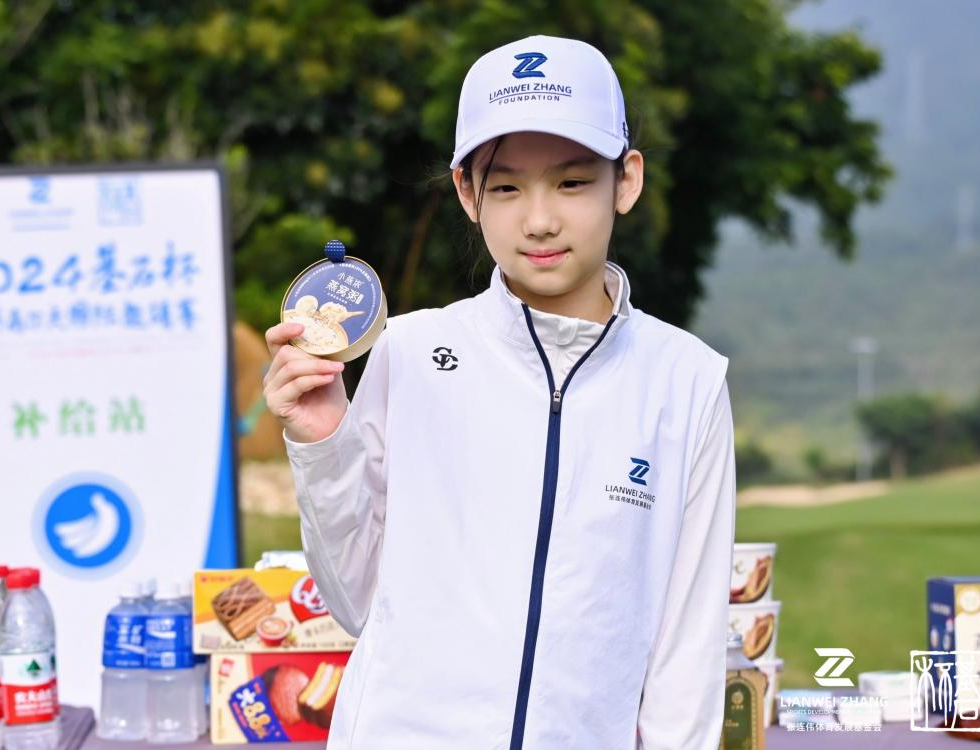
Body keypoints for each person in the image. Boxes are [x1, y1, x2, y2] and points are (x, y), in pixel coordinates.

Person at [264, 34, 736, 750]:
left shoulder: (688, 380)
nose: (539, 220)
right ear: (467, 192)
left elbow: (687, 651)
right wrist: (324, 444)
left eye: (572, 183)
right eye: (508, 187)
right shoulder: (409, 351)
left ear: (626, 181)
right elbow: (357, 602)